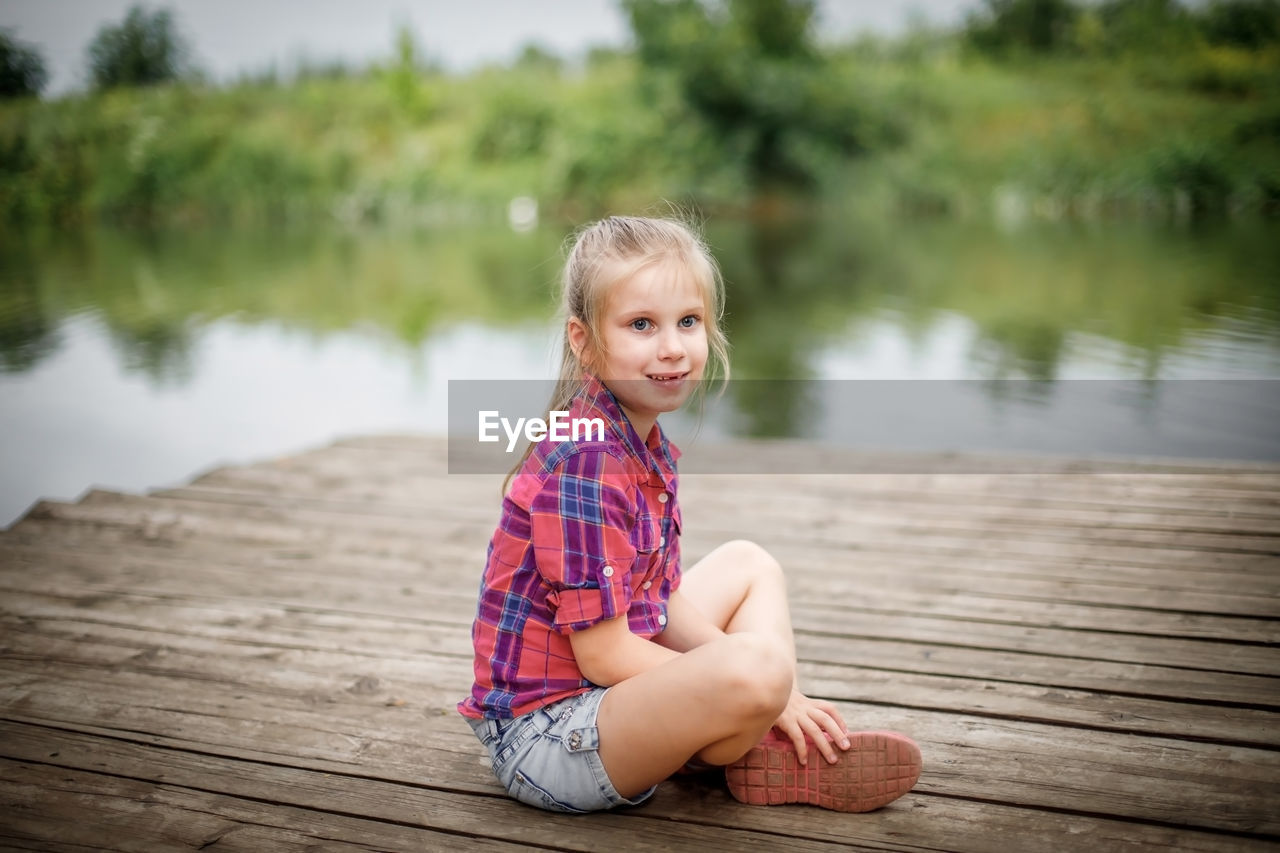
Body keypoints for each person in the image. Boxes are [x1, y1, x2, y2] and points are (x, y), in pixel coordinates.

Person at [458, 214, 922, 814]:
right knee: (757, 670)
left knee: (749, 565)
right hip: (548, 737)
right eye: (642, 325)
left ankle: (753, 736)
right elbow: (603, 655)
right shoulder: (586, 462)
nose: (672, 347)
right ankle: (747, 736)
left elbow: (658, 597)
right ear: (584, 339)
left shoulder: (639, 442)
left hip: (604, 701)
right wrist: (759, 687)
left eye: (688, 322)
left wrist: (764, 687)